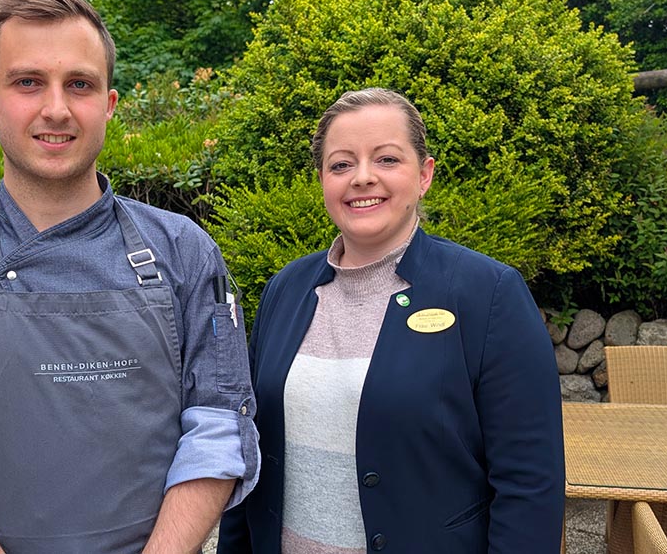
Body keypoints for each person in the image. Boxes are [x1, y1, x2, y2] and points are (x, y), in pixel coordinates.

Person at [0, 0, 258, 554]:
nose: (56, 109)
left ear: (108, 103)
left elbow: (219, 433)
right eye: (28, 82)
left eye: (79, 84)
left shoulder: (185, 251)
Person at [218, 88, 564, 553]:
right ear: (322, 180)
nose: (362, 178)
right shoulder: (287, 289)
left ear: (424, 175)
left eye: (386, 160)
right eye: (341, 164)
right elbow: (253, 451)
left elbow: (531, 485)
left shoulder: (488, 293)